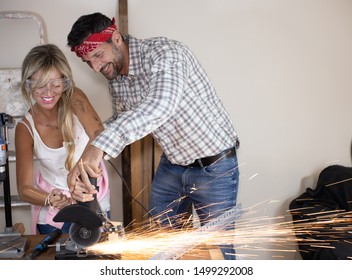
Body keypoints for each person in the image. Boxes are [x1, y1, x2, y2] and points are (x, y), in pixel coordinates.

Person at [67, 12, 240, 259]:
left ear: (115, 38)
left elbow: (159, 108)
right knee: (162, 245)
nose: (95, 67)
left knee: (219, 251)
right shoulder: (116, 77)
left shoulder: (166, 54)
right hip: (172, 165)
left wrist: (100, 148)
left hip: (214, 168)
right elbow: (120, 119)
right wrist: (86, 155)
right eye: (88, 62)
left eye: (97, 55)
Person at [15, 44, 110, 235]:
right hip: (53, 214)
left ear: (65, 82)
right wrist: (50, 199)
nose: (48, 93)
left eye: (56, 85)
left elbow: (100, 136)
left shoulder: (75, 98)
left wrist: (77, 175)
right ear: (28, 84)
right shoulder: (25, 128)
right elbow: (24, 188)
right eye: (39, 85)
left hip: (91, 195)